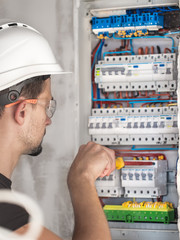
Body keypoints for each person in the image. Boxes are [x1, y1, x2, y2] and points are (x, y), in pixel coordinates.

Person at [0, 20, 115, 239]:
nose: (48, 120)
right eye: (46, 106)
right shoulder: (6, 215)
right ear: (22, 111)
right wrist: (81, 179)